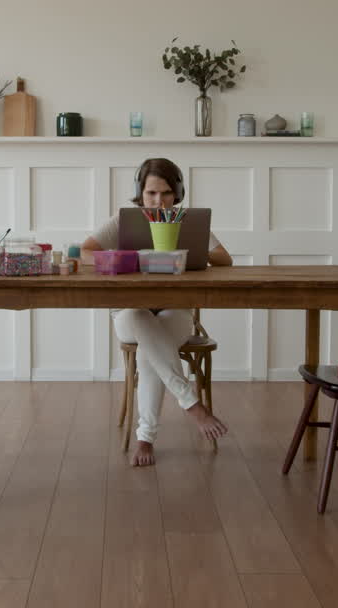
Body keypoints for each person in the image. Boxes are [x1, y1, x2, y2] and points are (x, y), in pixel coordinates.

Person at [82, 157, 231, 466]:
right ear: (141, 192)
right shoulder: (124, 220)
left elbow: (224, 259)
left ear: (176, 193)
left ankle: (145, 438)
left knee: (152, 348)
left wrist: (190, 253)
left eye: (165, 193)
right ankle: (192, 404)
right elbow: (85, 251)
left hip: (174, 312)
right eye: (151, 193)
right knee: (140, 318)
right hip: (129, 313)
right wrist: (119, 259)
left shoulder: (184, 220)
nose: (158, 200)